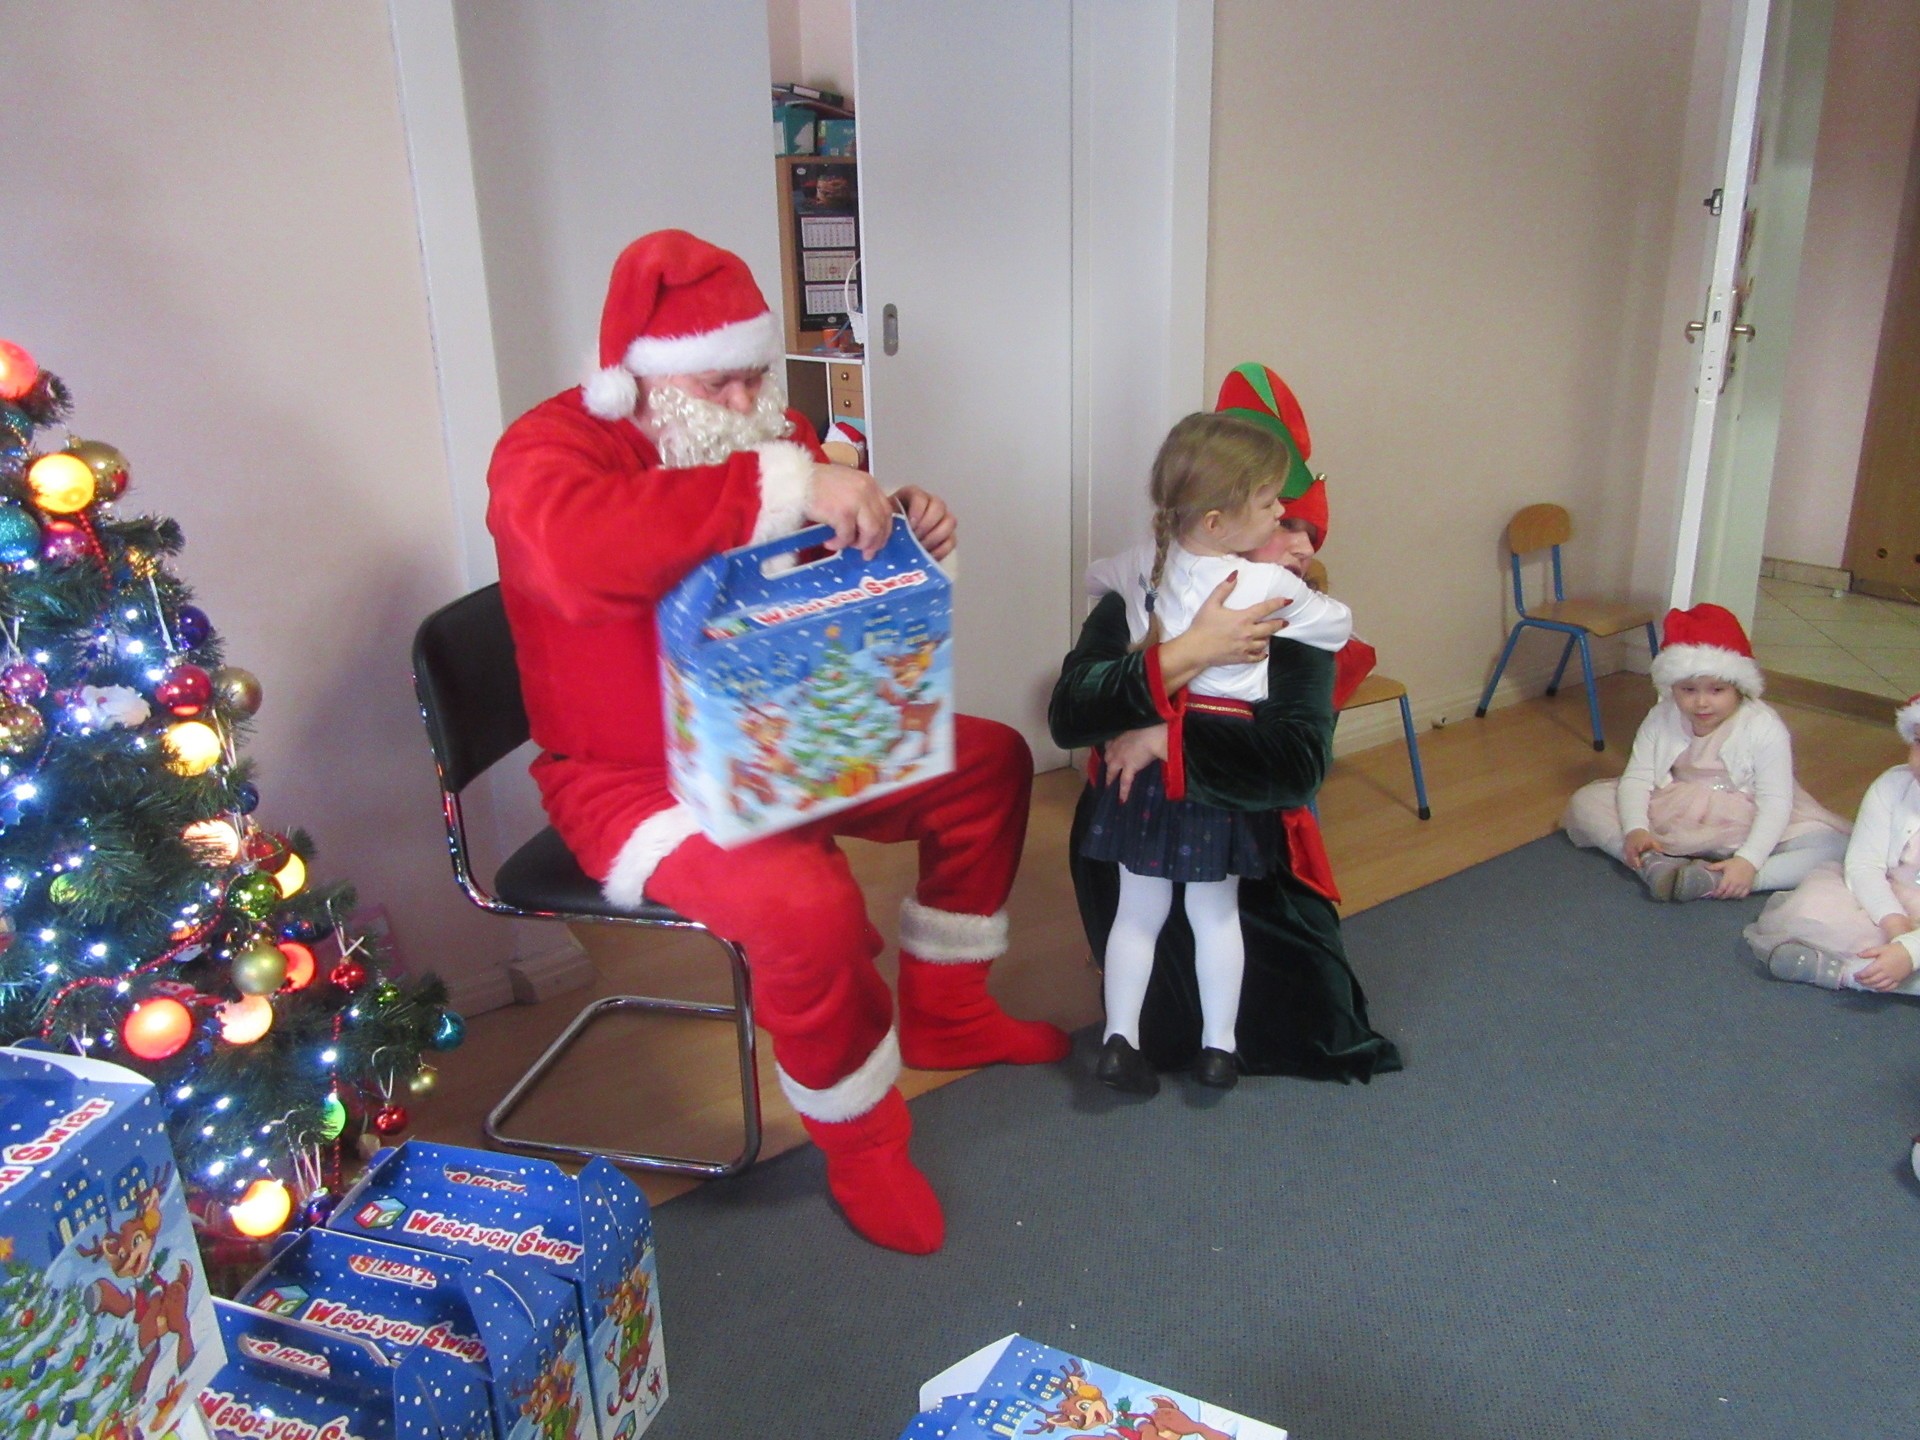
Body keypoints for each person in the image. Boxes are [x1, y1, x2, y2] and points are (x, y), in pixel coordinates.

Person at [485, 230, 1069, 1255]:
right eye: (721, 381)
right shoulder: (548, 452)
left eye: (756, 375)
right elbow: (579, 556)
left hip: (792, 725)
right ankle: (862, 1140)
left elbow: (821, 544)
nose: (749, 398)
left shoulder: (766, 429)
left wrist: (900, 522)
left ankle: (949, 1006)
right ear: (642, 379)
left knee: (986, 765)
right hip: (638, 780)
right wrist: (787, 487)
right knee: (805, 911)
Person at [1053, 365, 1401, 1089]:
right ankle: (1188, 1043)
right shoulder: (1244, 592)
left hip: (1223, 823)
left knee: (1306, 1011)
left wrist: (1164, 734)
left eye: (1309, 529)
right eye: (1282, 518)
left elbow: (1295, 765)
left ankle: (1149, 1039)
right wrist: (1185, 652)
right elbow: (1070, 714)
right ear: (1224, 522)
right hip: (1153, 815)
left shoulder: (1201, 584)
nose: (1301, 545)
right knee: (1186, 940)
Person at [1562, 603, 1850, 901]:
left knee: (1833, 848)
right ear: (1672, 687)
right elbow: (1637, 777)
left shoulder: (1763, 726)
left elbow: (1775, 801)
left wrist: (1749, 859)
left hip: (1743, 814)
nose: (1701, 703)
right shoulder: (1661, 716)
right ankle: (1649, 861)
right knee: (1587, 802)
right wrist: (1636, 828)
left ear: (1738, 688)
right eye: (1688, 690)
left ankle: (1722, 879)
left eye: (1716, 690)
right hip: (1676, 806)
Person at [1743, 694, 1920, 993]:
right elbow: (1864, 865)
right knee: (1816, 911)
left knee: (1903, 959)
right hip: (1891, 897)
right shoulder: (1892, 786)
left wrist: (1910, 950)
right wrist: (1894, 923)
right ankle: (1876, 969)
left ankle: (1846, 973)